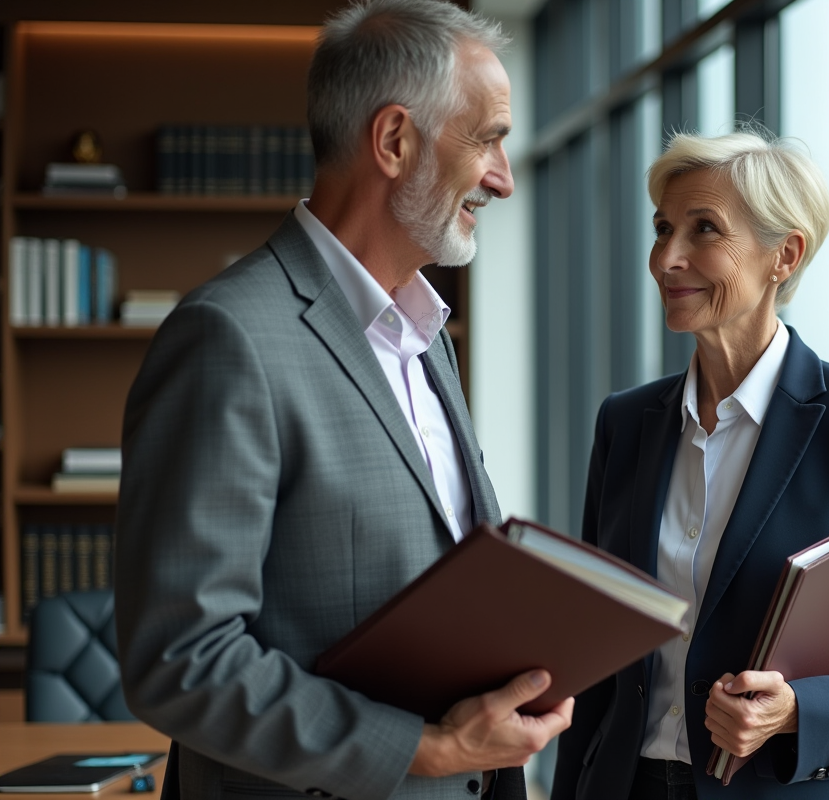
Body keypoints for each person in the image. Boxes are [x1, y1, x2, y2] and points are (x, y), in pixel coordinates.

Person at [114, 3, 572, 800]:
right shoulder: (228, 339)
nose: (502, 175)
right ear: (395, 141)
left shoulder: (430, 337)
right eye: (487, 137)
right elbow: (179, 661)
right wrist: (423, 750)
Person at [551, 130, 829, 800]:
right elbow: (599, 653)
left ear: (784, 255)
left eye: (703, 230)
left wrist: (799, 712)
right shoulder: (625, 423)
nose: (667, 257)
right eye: (663, 228)